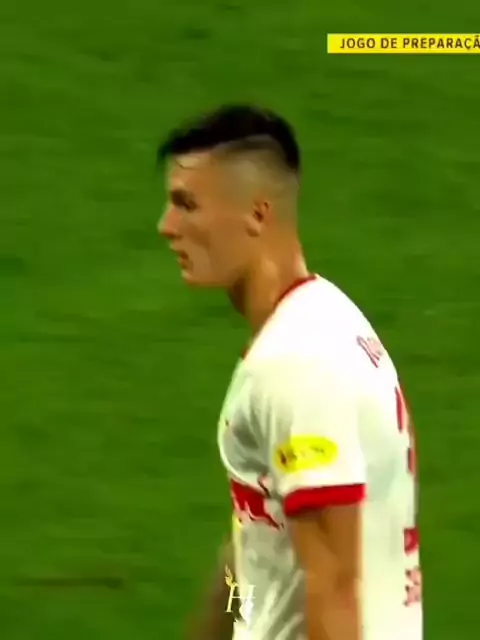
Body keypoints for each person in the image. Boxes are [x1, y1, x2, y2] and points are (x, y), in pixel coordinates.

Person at [157, 104, 422, 640]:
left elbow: (334, 588)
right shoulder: (321, 317)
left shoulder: (296, 366)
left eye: (187, 205)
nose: (167, 226)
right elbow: (254, 552)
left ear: (257, 214)